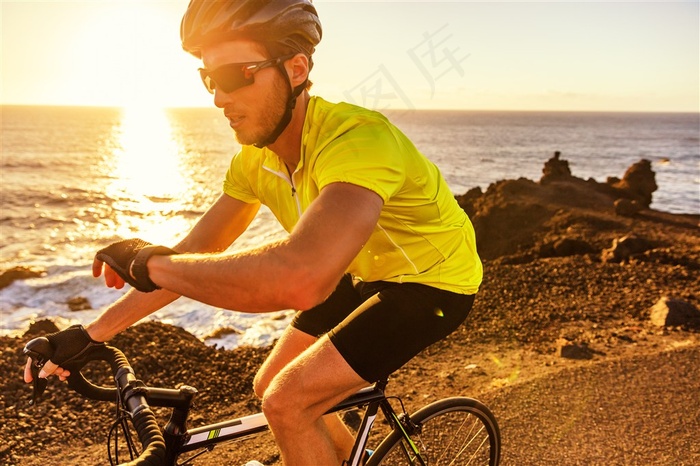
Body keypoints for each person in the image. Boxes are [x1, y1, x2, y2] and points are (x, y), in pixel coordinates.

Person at [24, 1, 483, 464]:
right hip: (362, 268)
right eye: (208, 79)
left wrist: (152, 261)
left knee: (286, 402)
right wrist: (91, 334)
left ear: (297, 68)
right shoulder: (255, 160)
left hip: (432, 283)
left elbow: (301, 279)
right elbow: (196, 253)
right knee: (269, 382)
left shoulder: (358, 140)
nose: (218, 98)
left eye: (234, 76)